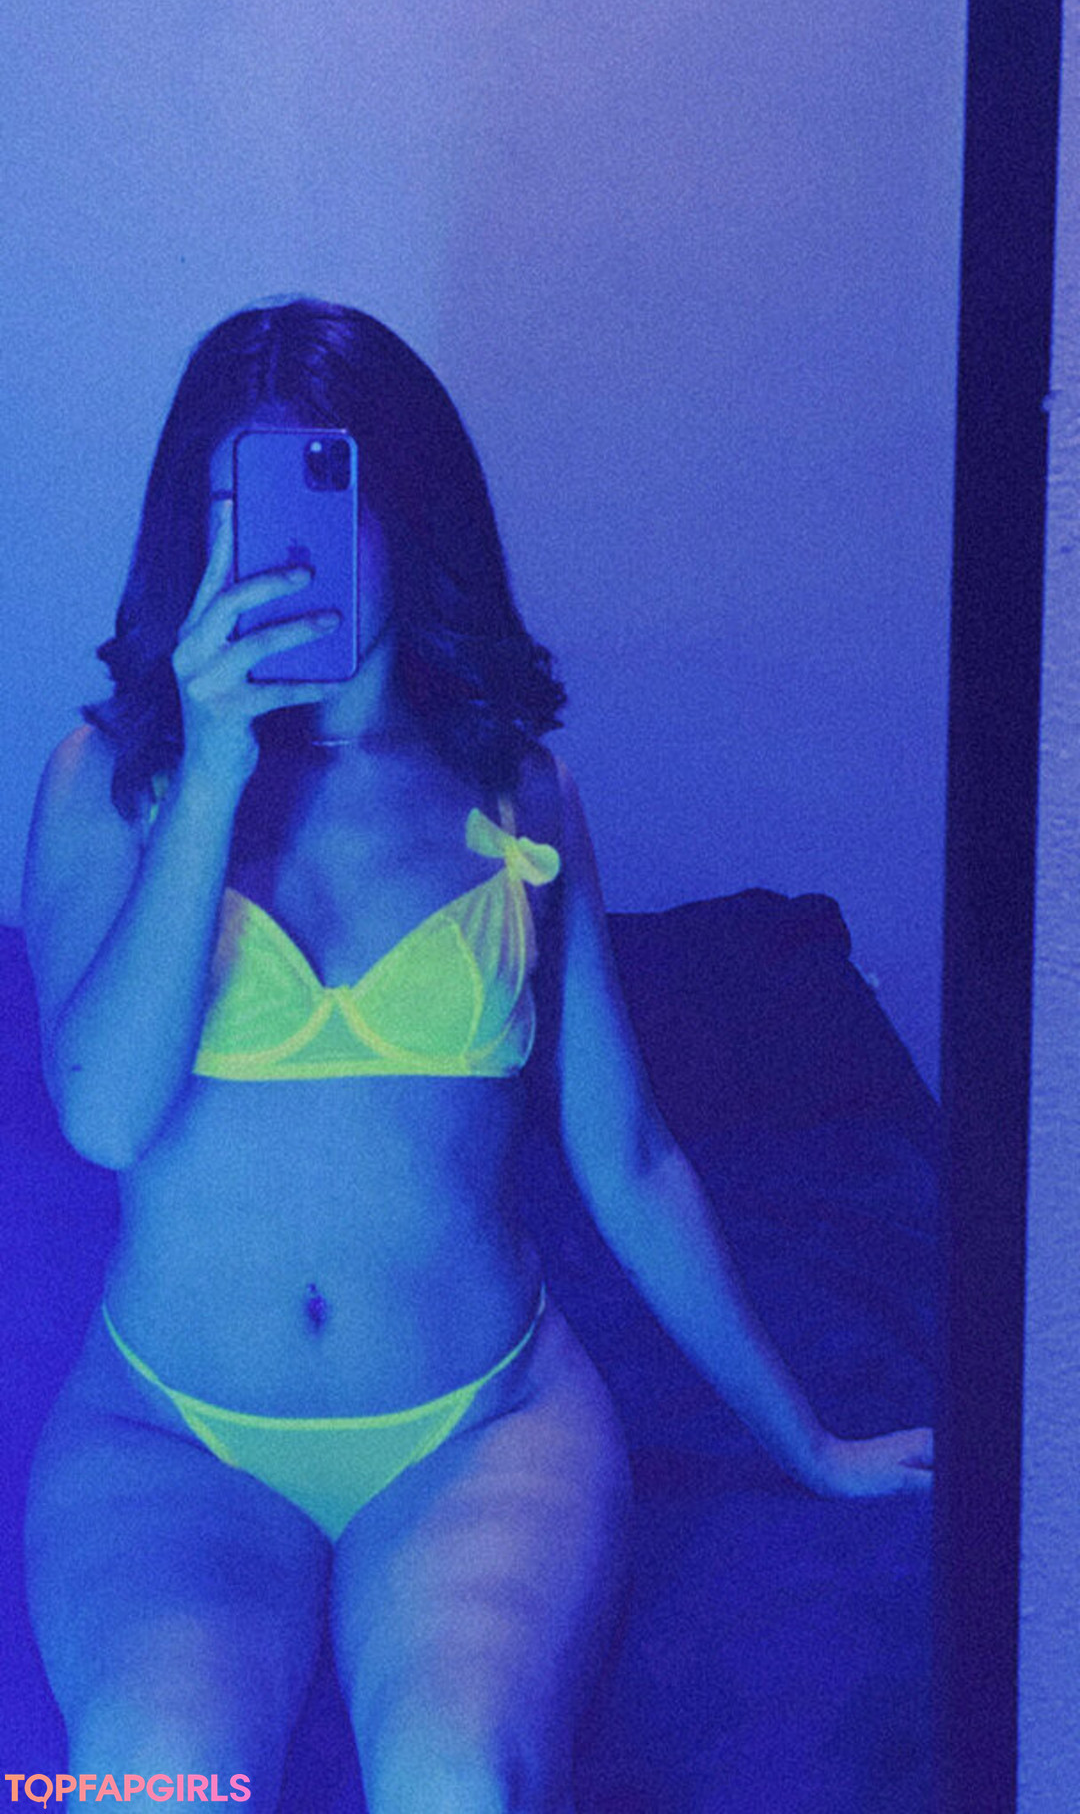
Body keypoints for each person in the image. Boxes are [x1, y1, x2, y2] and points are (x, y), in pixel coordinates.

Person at [21, 298, 932, 1814]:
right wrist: (215, 769)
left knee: (460, 1781)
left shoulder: (517, 790)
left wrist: (812, 1442)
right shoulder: (112, 781)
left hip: (478, 1428)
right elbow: (103, 1117)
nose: (277, 553)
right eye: (233, 510)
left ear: (407, 510)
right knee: (150, 1785)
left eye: (323, 498)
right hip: (169, 1439)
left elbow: (628, 1155)